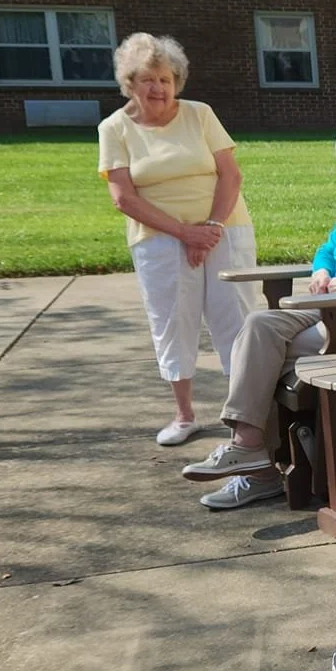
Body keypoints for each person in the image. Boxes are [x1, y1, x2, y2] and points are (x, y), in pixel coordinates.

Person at [179, 118, 336, 510]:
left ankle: (255, 465)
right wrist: (321, 270)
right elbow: (329, 250)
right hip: (332, 316)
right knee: (258, 326)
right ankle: (250, 451)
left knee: (262, 357)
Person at [98, 33, 257, 445]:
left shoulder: (200, 114)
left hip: (224, 228)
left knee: (237, 318)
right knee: (172, 322)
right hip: (160, 239)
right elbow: (123, 198)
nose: (158, 89)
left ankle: (246, 414)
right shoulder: (114, 128)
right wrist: (186, 233)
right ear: (129, 83)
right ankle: (184, 415)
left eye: (166, 79)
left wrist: (210, 229)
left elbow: (231, 175)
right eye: (148, 79)